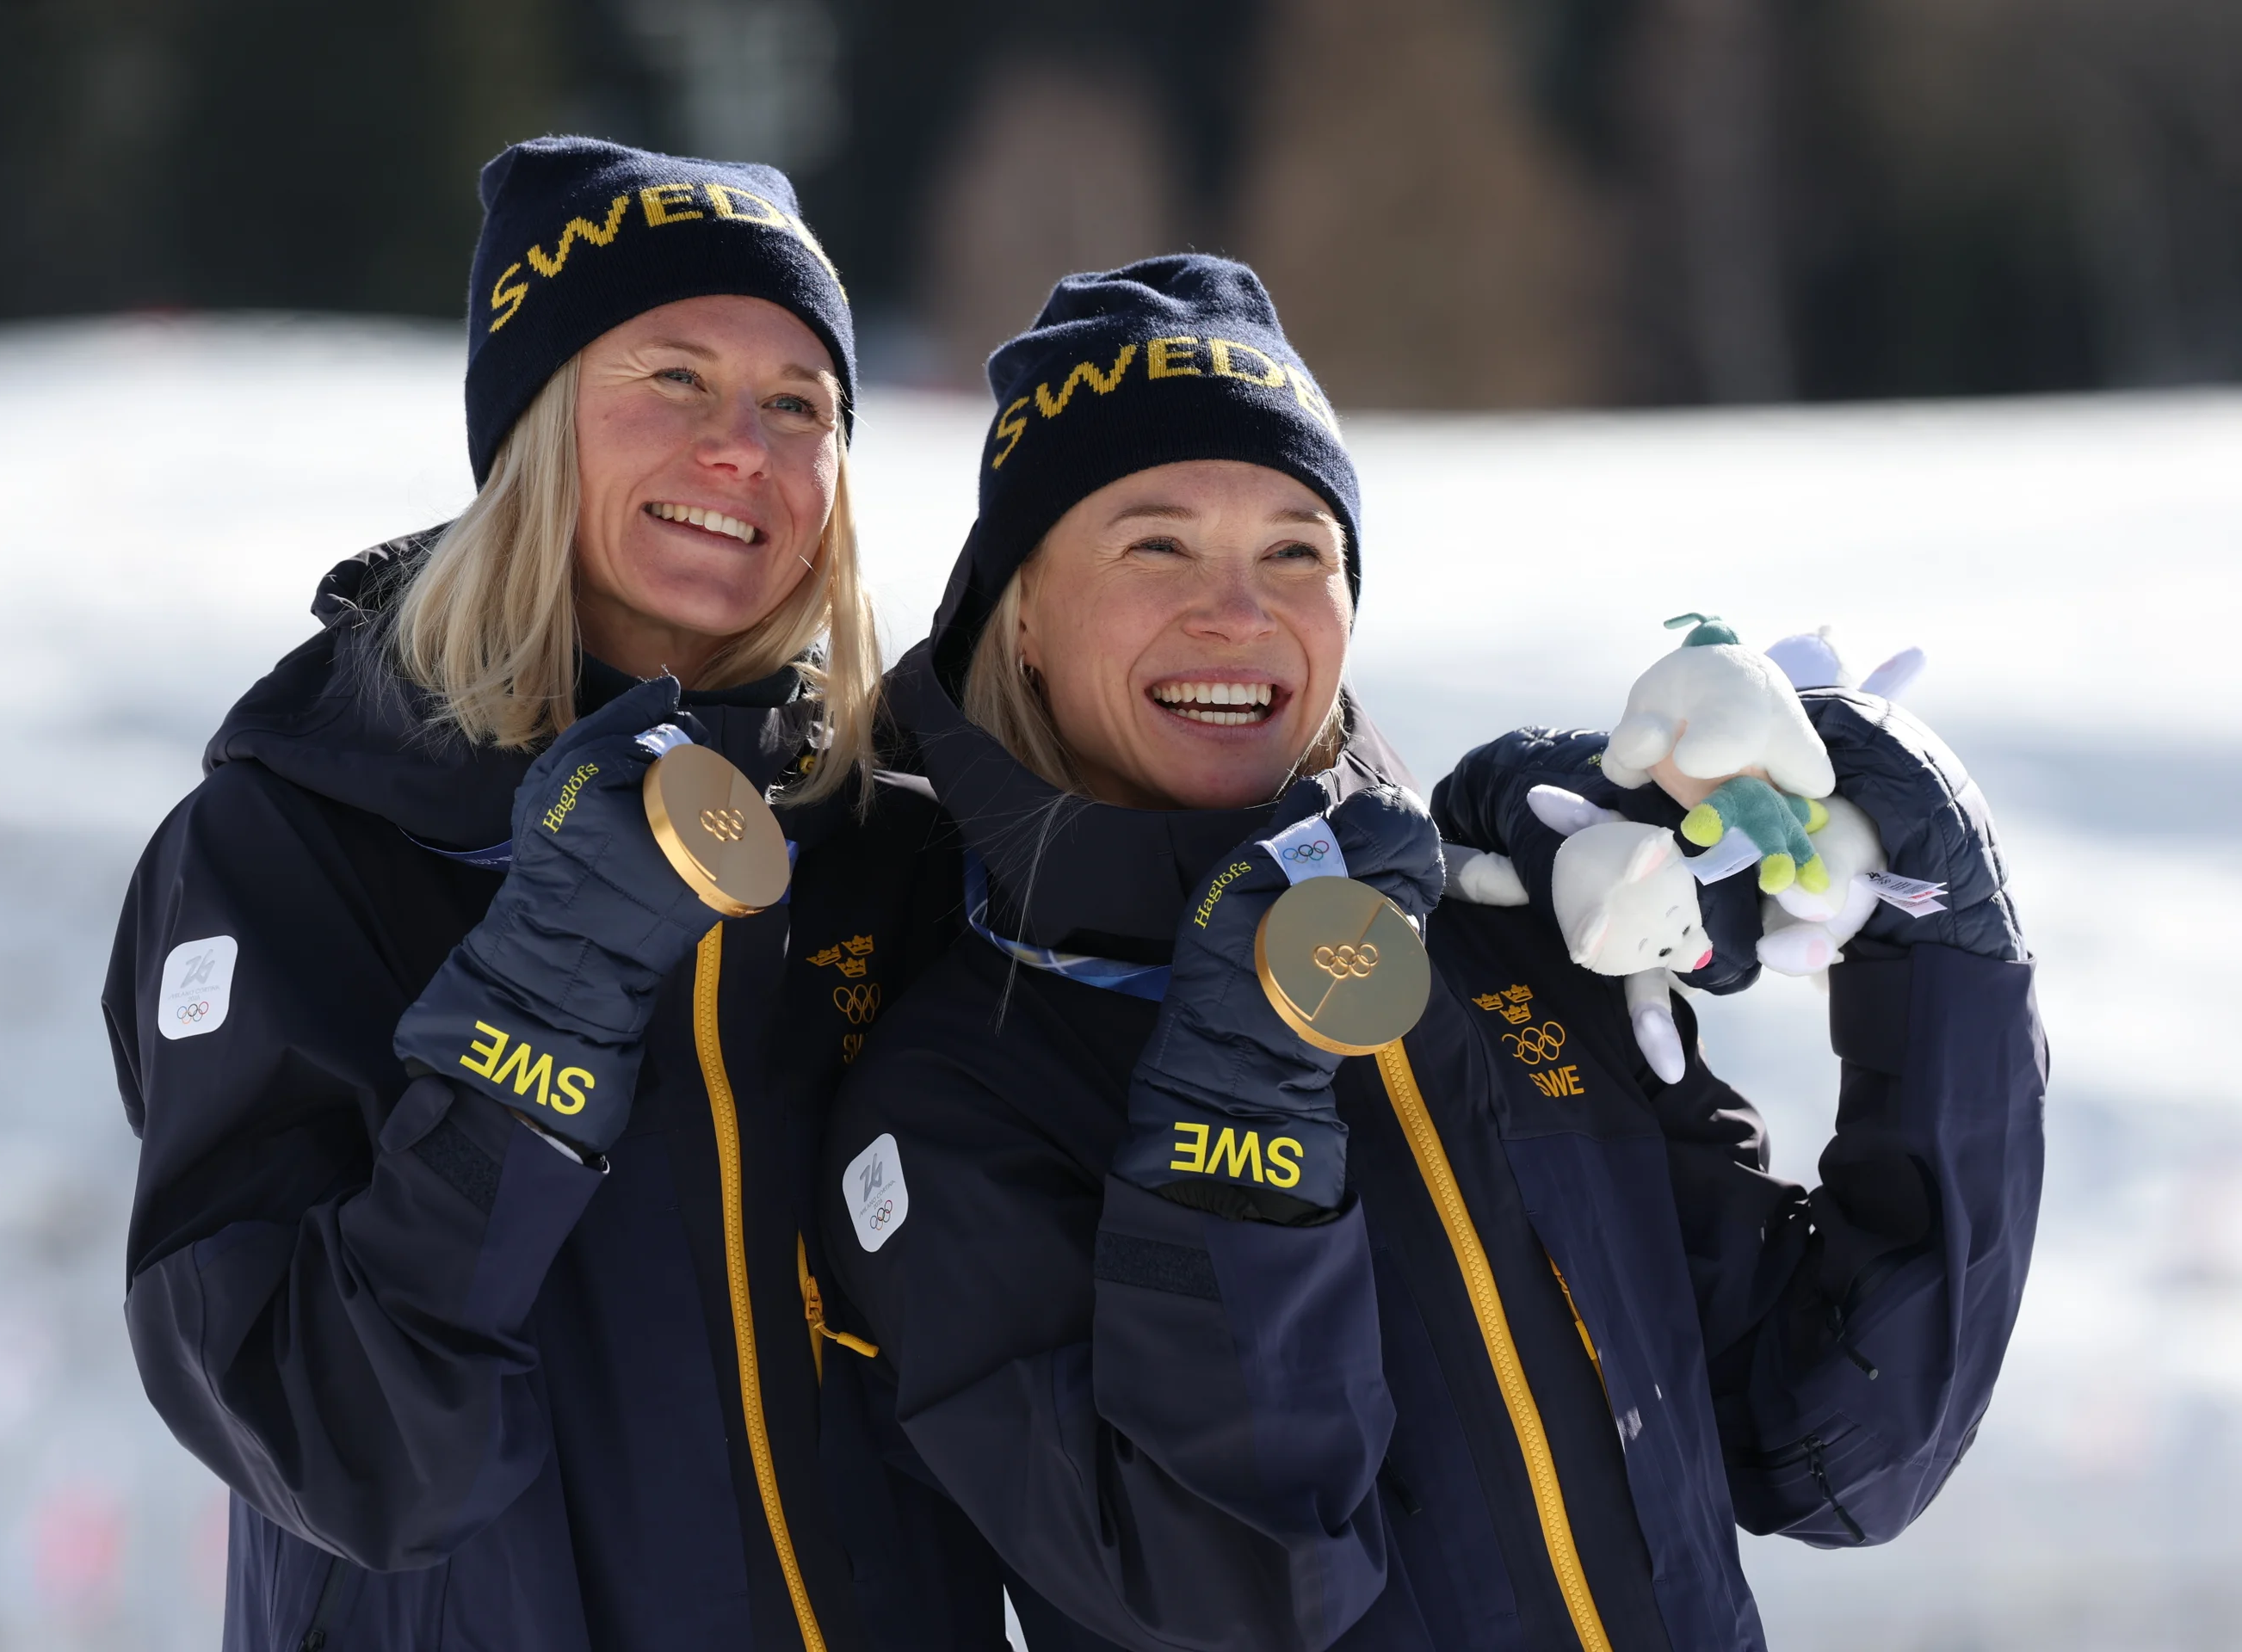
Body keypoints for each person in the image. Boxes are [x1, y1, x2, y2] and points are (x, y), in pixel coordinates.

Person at [821, 255, 2046, 1651]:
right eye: (1156, 544)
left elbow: (1831, 1446)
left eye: (1299, 549)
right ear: (1020, 613)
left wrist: (1932, 919)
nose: (1241, 611)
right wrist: (1237, 1103)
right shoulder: (949, 1104)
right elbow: (1236, 1597)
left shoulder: (1489, 945)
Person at [105, 138, 1001, 1652]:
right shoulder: (295, 841)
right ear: (533, 423)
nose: (744, 448)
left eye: (801, 404)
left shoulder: (894, 850)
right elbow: (342, 1445)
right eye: (673, 377)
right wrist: (545, 1000)